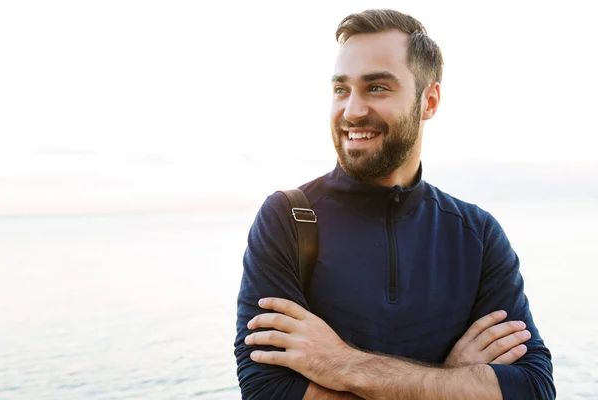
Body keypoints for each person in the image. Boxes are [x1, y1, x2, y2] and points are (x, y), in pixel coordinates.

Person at [234, 8, 555, 400]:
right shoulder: (288, 218)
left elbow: (533, 389)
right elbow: (266, 391)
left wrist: (339, 364)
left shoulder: (477, 234)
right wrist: (451, 379)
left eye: (377, 88)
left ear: (429, 100)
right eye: (341, 89)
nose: (352, 110)